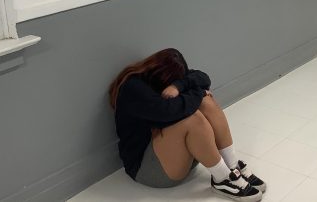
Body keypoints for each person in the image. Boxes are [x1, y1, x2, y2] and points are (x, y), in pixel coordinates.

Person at [109, 48, 266, 201]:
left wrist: (178, 86)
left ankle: (232, 166)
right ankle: (222, 179)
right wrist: (199, 93)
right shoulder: (133, 88)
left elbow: (202, 77)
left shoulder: (161, 76)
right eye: (172, 82)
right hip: (147, 170)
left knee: (206, 103)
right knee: (193, 118)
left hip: (173, 155)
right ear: (161, 77)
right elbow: (167, 111)